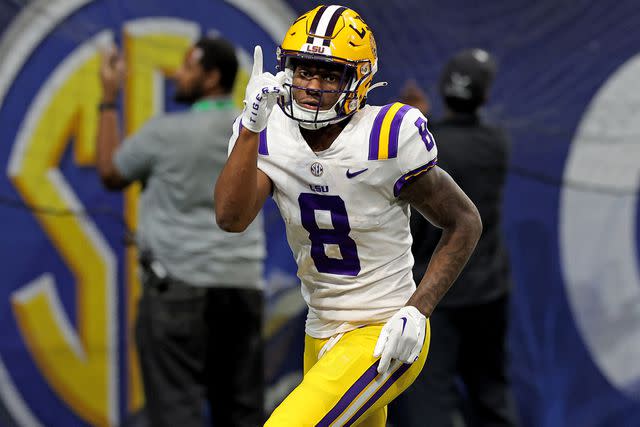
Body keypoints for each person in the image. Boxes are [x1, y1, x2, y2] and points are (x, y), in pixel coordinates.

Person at [214, 5, 483, 426]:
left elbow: (464, 221)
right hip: (319, 327)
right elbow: (231, 219)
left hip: (383, 332)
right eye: (304, 71)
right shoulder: (269, 131)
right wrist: (250, 126)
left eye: (329, 75)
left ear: (359, 80)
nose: (312, 86)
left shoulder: (385, 137)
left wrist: (418, 309)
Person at [96, 36, 265, 427]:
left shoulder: (164, 132)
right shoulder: (258, 134)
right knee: (242, 415)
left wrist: (108, 98)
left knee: (175, 415)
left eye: (189, 66)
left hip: (176, 295)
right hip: (242, 291)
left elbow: (110, 173)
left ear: (212, 78)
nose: (179, 73)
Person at [390, 49, 519, 427]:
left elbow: (427, 148)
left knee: (429, 402)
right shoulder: (496, 143)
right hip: (488, 292)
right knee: (491, 396)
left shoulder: (423, 144)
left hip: (434, 290)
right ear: (485, 97)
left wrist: (411, 122)